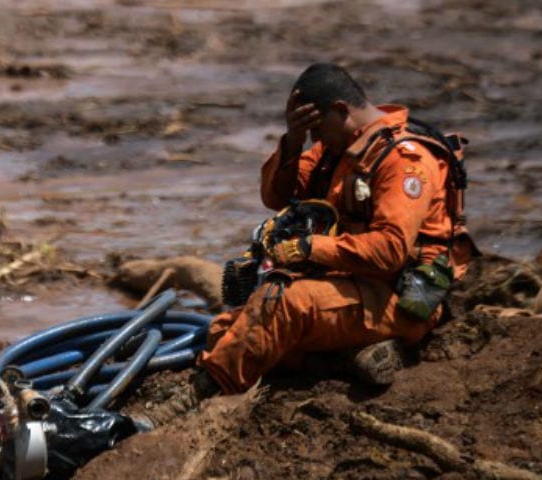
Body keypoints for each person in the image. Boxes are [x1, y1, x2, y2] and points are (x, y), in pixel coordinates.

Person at [193, 62, 475, 396]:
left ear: (340, 110)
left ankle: (198, 395)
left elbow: (389, 250)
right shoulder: (337, 148)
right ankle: (346, 361)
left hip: (398, 299)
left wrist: (309, 248)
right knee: (225, 331)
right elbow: (276, 197)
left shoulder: (403, 160)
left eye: (317, 130)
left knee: (283, 303)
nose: (316, 139)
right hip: (349, 285)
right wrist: (293, 142)